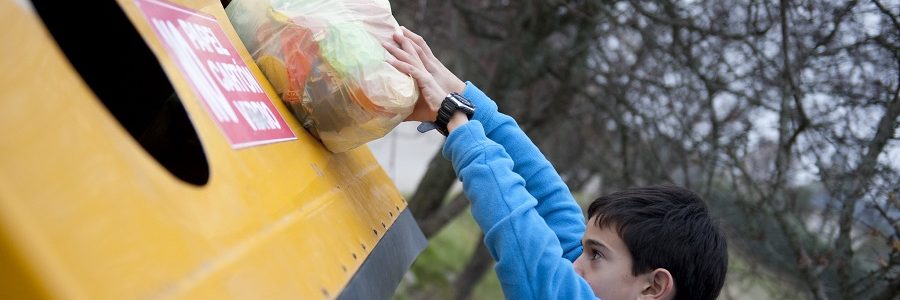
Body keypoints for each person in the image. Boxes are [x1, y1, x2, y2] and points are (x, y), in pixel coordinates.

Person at [383, 27, 728, 300]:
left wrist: (455, 119)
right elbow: (547, 196)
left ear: (652, 288)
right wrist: (460, 94)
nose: (573, 264)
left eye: (595, 255)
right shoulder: (592, 280)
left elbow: (519, 235)